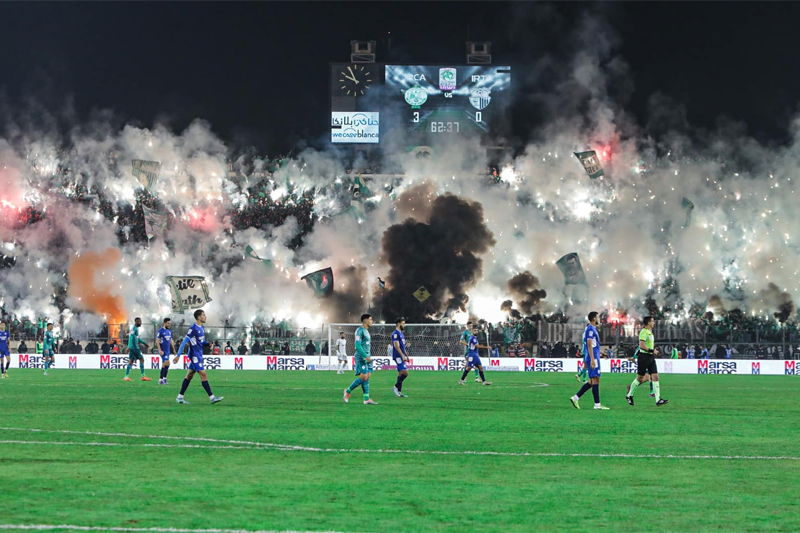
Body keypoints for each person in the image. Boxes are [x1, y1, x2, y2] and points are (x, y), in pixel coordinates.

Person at [174, 309, 223, 404]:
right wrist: (178, 355)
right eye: (203, 315)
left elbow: (201, 342)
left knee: (189, 375)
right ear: (199, 317)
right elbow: (184, 341)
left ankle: (179, 397)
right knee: (203, 374)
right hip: (194, 356)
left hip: (198, 354)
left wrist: (208, 344)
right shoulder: (193, 329)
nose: (205, 317)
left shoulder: (201, 328)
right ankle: (212, 397)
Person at [570, 312, 609, 410]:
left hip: (595, 356)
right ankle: (597, 405)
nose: (599, 318)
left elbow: (594, 345)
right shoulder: (590, 329)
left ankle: (576, 398)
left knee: (593, 381)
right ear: (594, 318)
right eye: (598, 317)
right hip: (593, 358)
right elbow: (589, 345)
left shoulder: (592, 329)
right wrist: (592, 359)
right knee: (596, 379)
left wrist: (601, 353)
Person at [626, 316, 668, 407]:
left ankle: (658, 400)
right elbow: (641, 346)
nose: (654, 323)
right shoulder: (643, 332)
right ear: (648, 323)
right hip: (643, 357)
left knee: (655, 377)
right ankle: (629, 395)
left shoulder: (649, 332)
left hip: (650, 357)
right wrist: (652, 350)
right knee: (640, 378)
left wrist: (652, 352)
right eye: (652, 321)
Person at [343, 313, 377, 405]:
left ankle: (366, 399)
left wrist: (368, 356)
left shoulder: (366, 331)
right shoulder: (359, 330)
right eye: (370, 319)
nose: (372, 321)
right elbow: (357, 345)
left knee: (367, 377)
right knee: (364, 377)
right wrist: (365, 356)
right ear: (365, 321)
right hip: (361, 357)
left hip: (367, 356)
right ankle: (348, 391)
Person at [124, 317, 151, 382]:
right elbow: (131, 337)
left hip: (133, 347)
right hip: (135, 348)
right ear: (136, 322)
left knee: (131, 361)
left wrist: (144, 343)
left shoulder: (134, 328)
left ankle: (126, 377)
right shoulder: (134, 328)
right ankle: (143, 376)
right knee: (141, 359)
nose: (140, 323)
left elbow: (136, 338)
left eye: (141, 321)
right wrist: (129, 346)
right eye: (139, 322)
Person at [391, 317, 410, 398]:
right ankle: (395, 387)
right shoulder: (395, 334)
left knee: (400, 374)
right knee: (405, 373)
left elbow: (403, 347)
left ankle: (399, 392)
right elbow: (396, 346)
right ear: (398, 324)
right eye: (403, 323)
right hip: (398, 356)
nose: (404, 325)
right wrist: (402, 356)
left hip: (401, 356)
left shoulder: (401, 334)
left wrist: (407, 356)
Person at [156, 318, 176, 385]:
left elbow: (170, 341)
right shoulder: (160, 331)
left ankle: (160, 379)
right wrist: (160, 350)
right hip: (162, 350)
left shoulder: (169, 331)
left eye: (170, 323)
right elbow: (157, 341)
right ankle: (164, 379)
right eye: (168, 323)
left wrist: (173, 349)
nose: (169, 324)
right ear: (164, 323)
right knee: (168, 363)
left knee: (164, 365)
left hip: (167, 350)